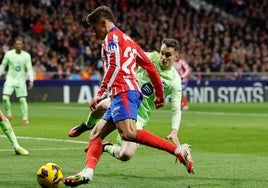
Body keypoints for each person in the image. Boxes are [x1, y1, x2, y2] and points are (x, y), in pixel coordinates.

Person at [64, 6, 193, 187]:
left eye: (94, 28)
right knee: (94, 135)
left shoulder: (111, 39)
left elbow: (115, 67)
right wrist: (160, 94)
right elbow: (148, 65)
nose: (93, 33)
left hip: (125, 91)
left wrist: (100, 93)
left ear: (103, 22)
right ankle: (87, 172)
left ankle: (177, 151)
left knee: (128, 134)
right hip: (124, 94)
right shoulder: (128, 40)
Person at [69, 38, 186, 162]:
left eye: (168, 55)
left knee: (126, 154)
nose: (163, 57)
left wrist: (174, 131)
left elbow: (176, 110)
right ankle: (87, 125)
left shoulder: (175, 81)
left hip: (140, 115)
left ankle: (106, 147)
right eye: (162, 53)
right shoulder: (152, 57)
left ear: (176, 57)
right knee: (101, 105)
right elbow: (131, 55)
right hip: (126, 98)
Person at [0, 36, 34, 125]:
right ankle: (9, 114)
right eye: (17, 44)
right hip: (10, 79)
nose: (19, 45)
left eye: (20, 44)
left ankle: (25, 118)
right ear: (14, 45)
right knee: (5, 98)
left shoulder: (26, 55)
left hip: (21, 81)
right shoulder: (8, 54)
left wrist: (31, 80)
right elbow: (2, 66)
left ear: (23, 45)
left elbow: (29, 68)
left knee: (22, 100)